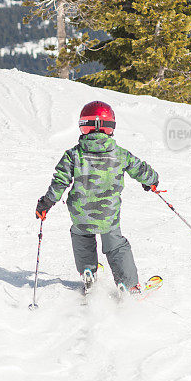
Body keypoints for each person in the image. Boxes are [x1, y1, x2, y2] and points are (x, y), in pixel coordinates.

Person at [35, 101, 159, 295]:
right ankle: (129, 284)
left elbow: (59, 182)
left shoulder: (73, 155)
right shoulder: (120, 154)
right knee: (116, 245)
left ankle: (88, 273)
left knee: (81, 237)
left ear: (84, 126)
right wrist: (151, 181)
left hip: (80, 214)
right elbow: (141, 169)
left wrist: (46, 203)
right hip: (108, 215)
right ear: (110, 127)